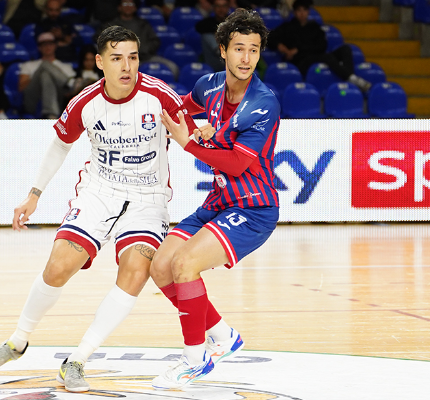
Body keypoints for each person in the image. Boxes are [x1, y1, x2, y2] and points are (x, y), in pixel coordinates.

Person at [0, 25, 207, 393]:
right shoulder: (86, 102)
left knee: (136, 271)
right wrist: (34, 194)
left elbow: (192, 136)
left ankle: (77, 360)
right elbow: (60, 145)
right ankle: (17, 341)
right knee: (59, 266)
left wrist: (203, 135)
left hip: (147, 199)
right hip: (99, 192)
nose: (126, 66)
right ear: (100, 62)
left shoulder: (160, 96)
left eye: (132, 57)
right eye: (116, 58)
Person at [150, 8, 281, 390]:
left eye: (253, 50)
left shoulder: (264, 102)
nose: (246, 58)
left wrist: (189, 141)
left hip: (253, 208)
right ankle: (223, 336)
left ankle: (194, 360)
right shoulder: (208, 86)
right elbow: (178, 108)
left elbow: (238, 163)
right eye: (239, 48)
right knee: (161, 267)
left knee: (185, 263)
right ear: (222, 50)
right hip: (218, 202)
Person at [267, 0, 371, 91]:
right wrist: (280, 46)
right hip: (300, 62)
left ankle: (350, 78)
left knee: (345, 49)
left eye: (304, 10)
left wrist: (298, 49)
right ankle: (352, 78)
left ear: (308, 12)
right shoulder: (287, 27)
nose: (302, 13)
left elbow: (322, 46)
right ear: (294, 12)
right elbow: (269, 37)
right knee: (326, 57)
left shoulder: (314, 27)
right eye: (299, 10)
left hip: (317, 56)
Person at [104, 0, 179, 78]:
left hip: (146, 57)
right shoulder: (111, 26)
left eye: (131, 4)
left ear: (135, 8)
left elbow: (155, 41)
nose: (128, 6)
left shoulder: (143, 24)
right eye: (125, 4)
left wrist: (144, 49)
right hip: (122, 60)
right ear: (119, 7)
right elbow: (104, 42)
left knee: (172, 67)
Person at [17, 32, 76, 119]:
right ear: (39, 47)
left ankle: (51, 114)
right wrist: (38, 77)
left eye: (50, 44)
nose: (48, 47)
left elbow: (69, 94)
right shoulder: (28, 65)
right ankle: (70, 82)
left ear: (55, 46)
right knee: (44, 67)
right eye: (44, 45)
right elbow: (22, 88)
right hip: (34, 103)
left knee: (46, 75)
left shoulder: (65, 67)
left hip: (59, 102)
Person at [195, 0, 230, 72]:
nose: (221, 9)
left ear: (228, 8)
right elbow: (198, 27)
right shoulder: (208, 22)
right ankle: (220, 51)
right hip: (215, 61)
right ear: (213, 8)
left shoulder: (233, 23)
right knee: (206, 36)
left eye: (224, 6)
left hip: (232, 56)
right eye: (218, 6)